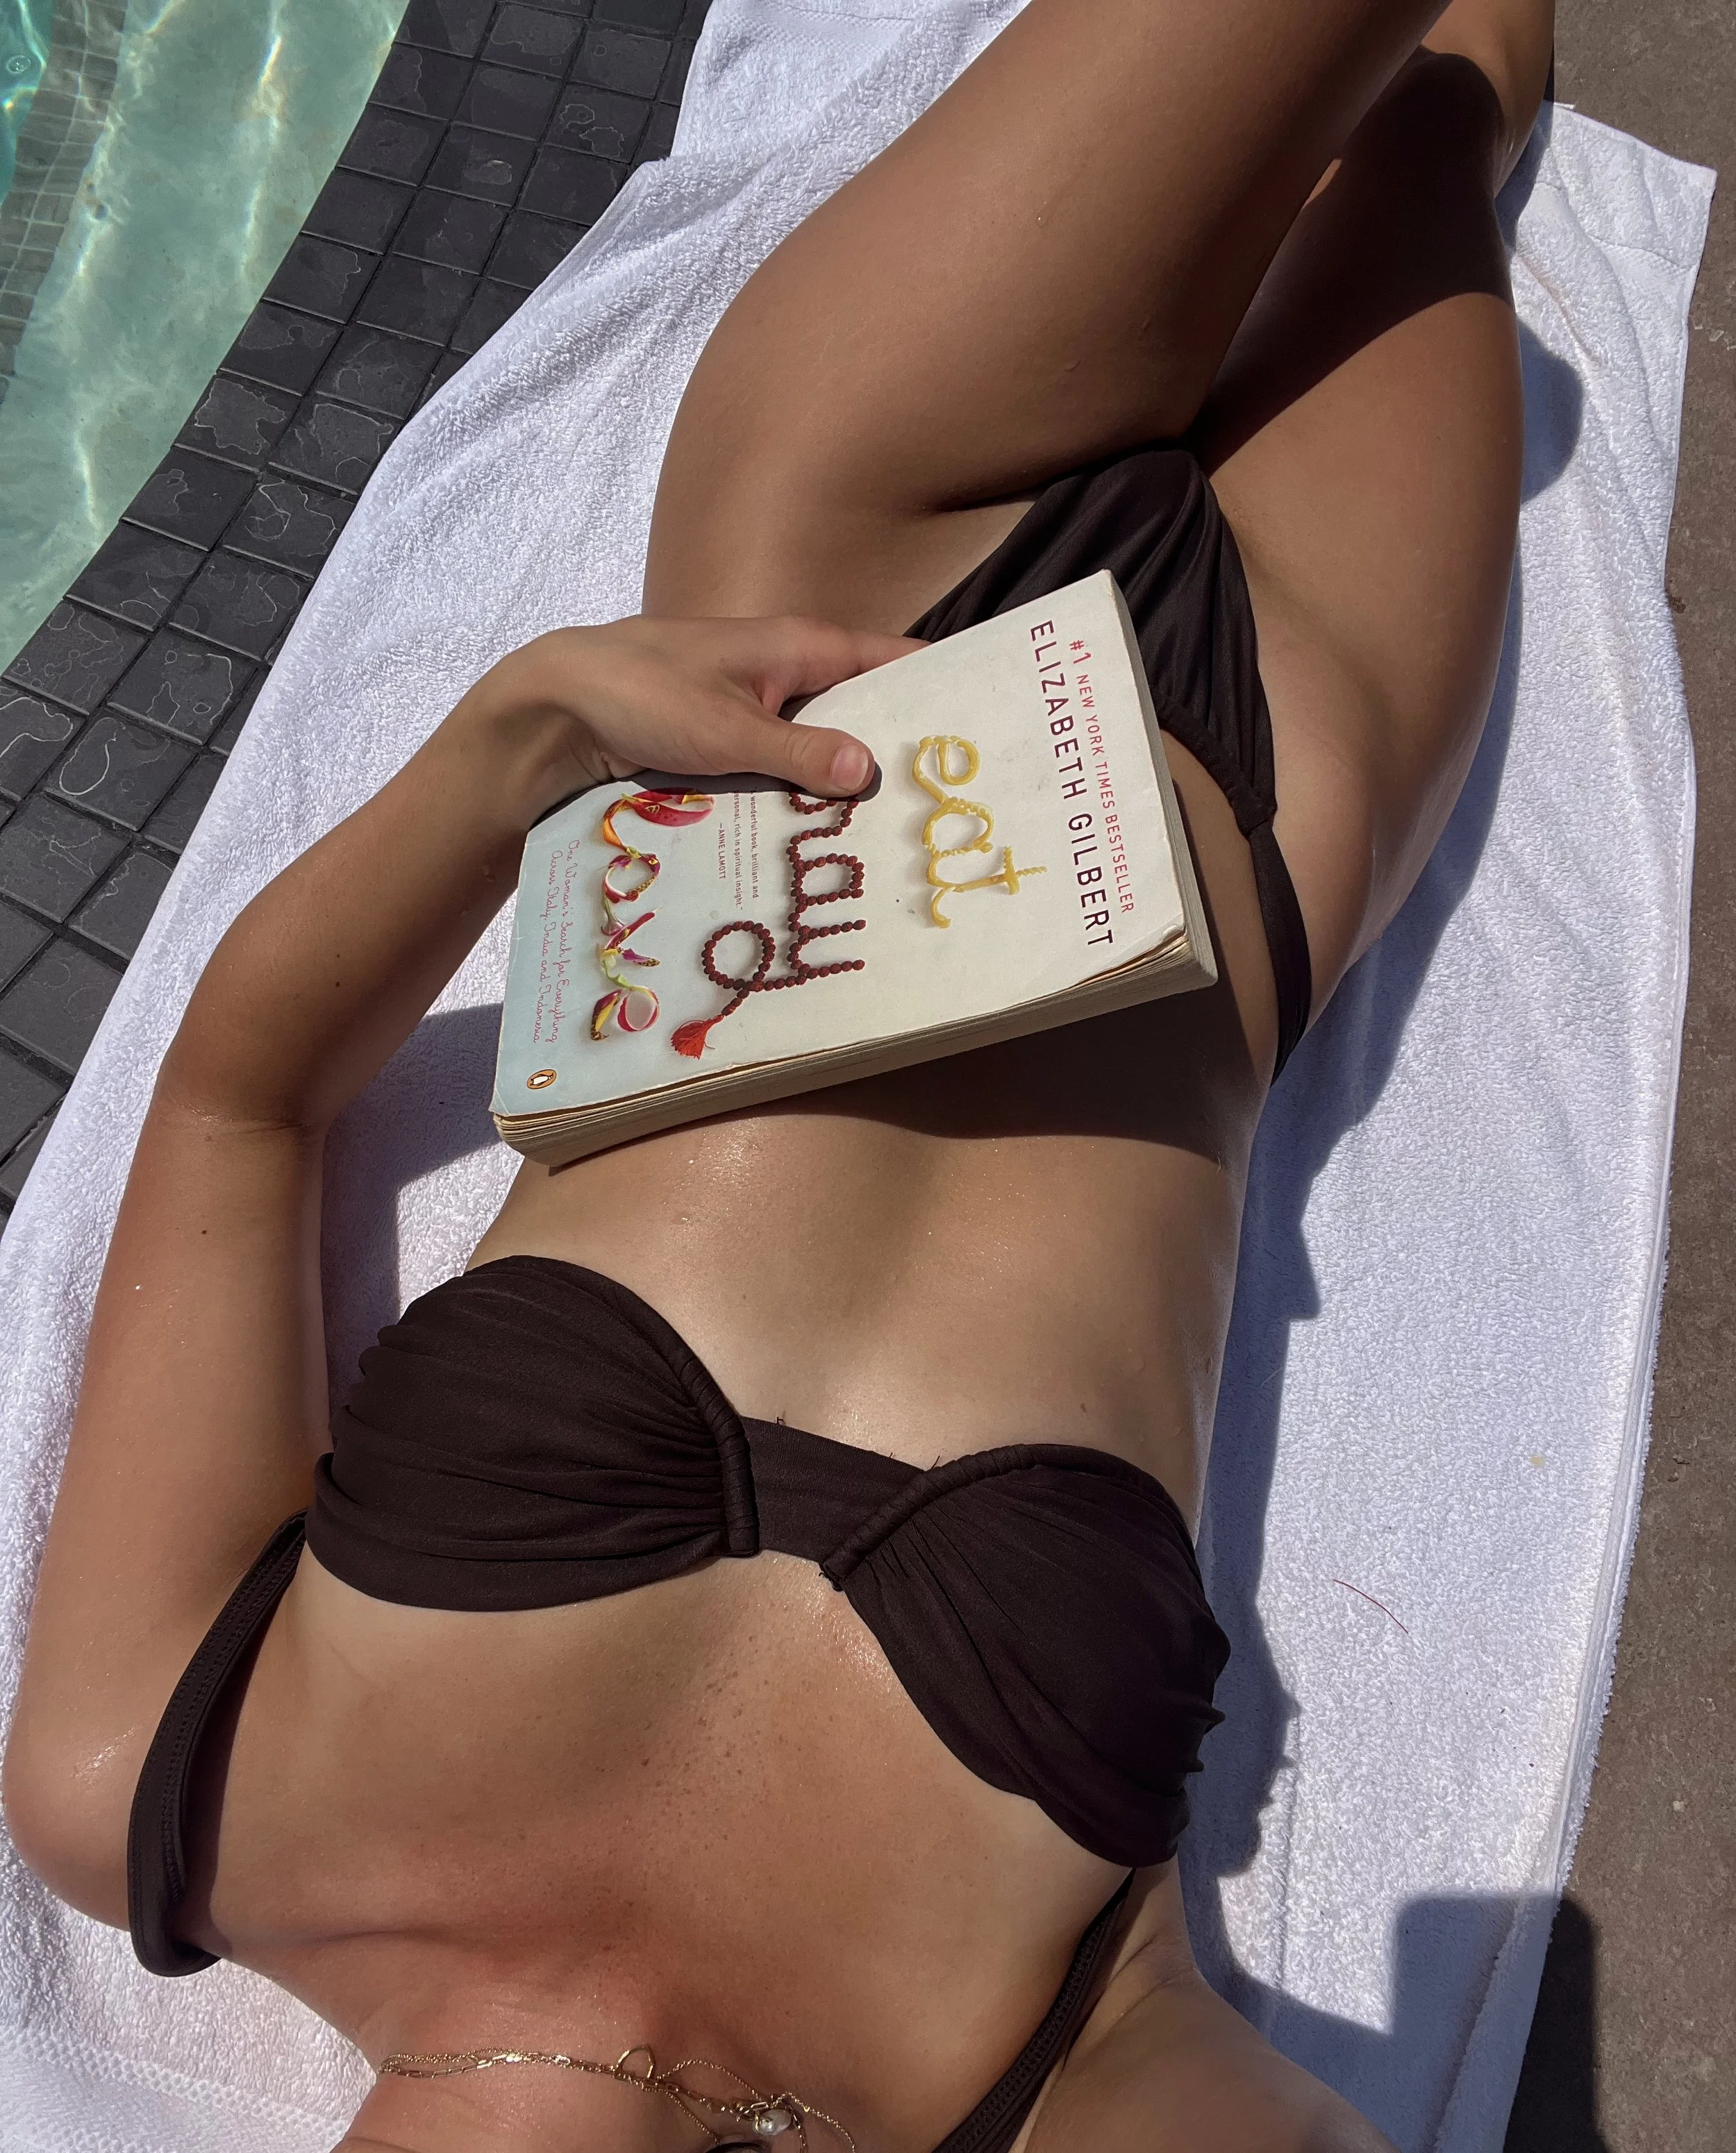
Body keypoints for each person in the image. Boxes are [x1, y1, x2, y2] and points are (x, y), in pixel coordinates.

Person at [3, 0, 1555, 2146]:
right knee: (1461, 104)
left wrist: (512, 753)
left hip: (867, 546)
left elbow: (235, 1108)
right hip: (1277, 790)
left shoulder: (160, 1785)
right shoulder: (1001, 2086)